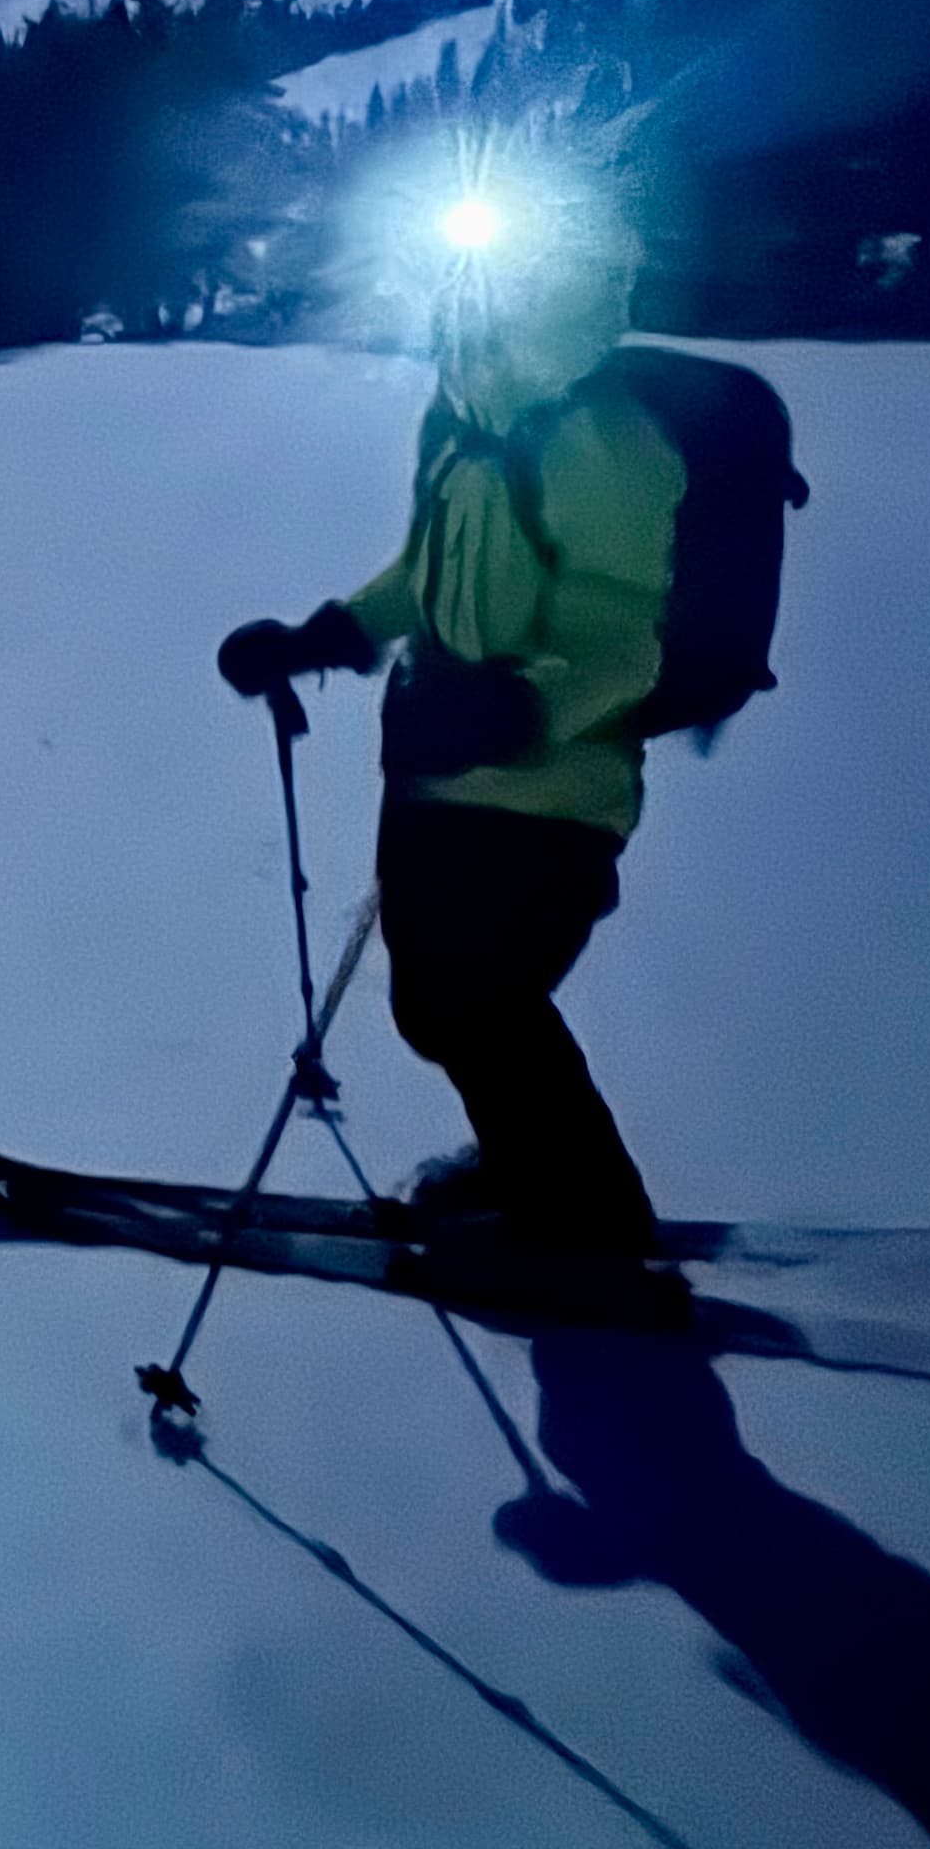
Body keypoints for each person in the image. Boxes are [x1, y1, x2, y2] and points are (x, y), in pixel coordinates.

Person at [217, 206, 680, 1287]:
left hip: (551, 788)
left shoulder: (608, 442)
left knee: (481, 998)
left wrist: (517, 710)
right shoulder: (463, 412)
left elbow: (630, 640)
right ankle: (533, 1162)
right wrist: (326, 636)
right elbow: (423, 572)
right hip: (436, 768)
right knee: (436, 1000)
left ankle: (588, 1223)